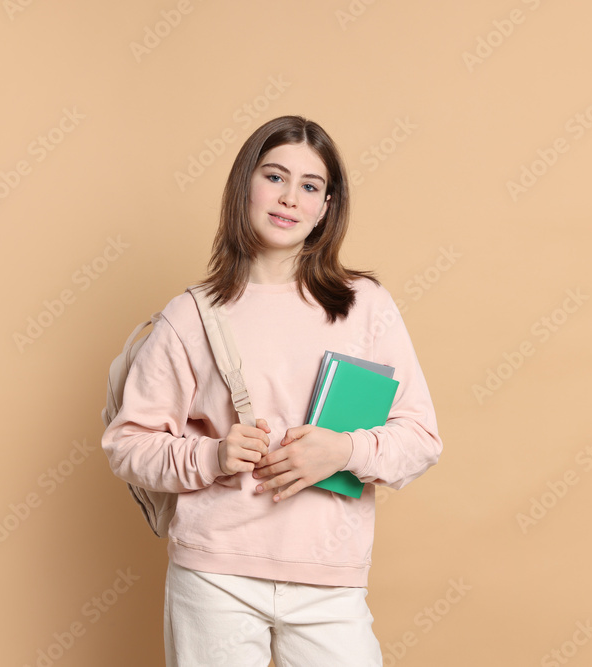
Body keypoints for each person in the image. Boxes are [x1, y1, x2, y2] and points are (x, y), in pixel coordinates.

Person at [101, 115, 443, 666]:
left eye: (310, 186)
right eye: (275, 177)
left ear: (327, 205)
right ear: (246, 186)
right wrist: (210, 455)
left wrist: (344, 450)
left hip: (330, 579)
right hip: (215, 577)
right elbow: (127, 444)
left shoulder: (365, 306)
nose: (289, 198)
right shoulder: (190, 316)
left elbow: (421, 438)